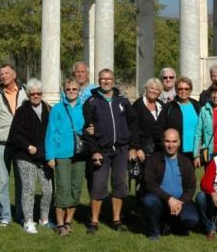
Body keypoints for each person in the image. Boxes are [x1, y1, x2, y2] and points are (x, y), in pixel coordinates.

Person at [82, 68, 139, 234]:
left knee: (119, 184)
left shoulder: (123, 101)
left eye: (108, 79)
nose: (106, 82)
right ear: (98, 81)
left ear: (113, 80)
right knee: (98, 185)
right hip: (102, 150)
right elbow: (87, 129)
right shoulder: (91, 101)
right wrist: (94, 151)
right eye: (102, 79)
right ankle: (93, 221)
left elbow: (133, 124)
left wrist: (133, 147)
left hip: (121, 149)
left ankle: (116, 219)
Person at [8, 78, 53, 234]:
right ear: (28, 95)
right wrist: (28, 146)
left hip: (44, 157)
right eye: (32, 93)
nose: (35, 96)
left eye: (38, 93)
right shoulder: (22, 111)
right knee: (28, 189)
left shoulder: (48, 109)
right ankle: (28, 221)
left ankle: (44, 219)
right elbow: (14, 134)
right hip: (26, 156)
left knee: (48, 190)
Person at [141, 128, 199, 240]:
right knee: (148, 201)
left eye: (174, 141)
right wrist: (169, 199)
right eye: (167, 141)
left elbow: (191, 187)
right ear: (163, 142)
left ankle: (170, 224)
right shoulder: (153, 160)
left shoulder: (186, 162)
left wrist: (181, 202)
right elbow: (150, 185)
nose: (170, 145)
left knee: (192, 219)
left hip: (180, 202)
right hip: (160, 201)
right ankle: (154, 231)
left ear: (179, 142)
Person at [45, 78, 86, 236]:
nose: (71, 92)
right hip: (62, 154)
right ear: (64, 91)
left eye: (74, 89)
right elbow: (51, 132)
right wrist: (50, 155)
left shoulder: (84, 108)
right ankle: (60, 224)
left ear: (78, 91)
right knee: (63, 188)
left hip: (80, 154)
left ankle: (69, 220)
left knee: (76, 188)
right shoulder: (57, 109)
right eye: (68, 89)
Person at [0, 63, 27, 226]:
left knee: (22, 181)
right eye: (1, 74)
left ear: (14, 75)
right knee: (2, 181)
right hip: (1, 144)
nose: (3, 76)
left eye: (6, 73)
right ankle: (5, 215)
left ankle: (21, 214)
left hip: (21, 145)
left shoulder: (26, 92)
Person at [155, 76, 201, 161]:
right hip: (175, 151)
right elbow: (159, 128)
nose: (183, 91)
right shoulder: (169, 107)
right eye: (180, 89)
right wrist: (166, 145)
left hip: (193, 152)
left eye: (186, 89)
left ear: (190, 90)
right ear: (176, 90)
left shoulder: (197, 106)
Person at [131, 78, 164, 194]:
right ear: (146, 88)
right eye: (152, 88)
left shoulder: (161, 105)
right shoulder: (137, 105)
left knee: (157, 178)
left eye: (157, 89)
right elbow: (133, 128)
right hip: (143, 150)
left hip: (158, 149)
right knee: (143, 179)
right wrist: (137, 148)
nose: (154, 91)